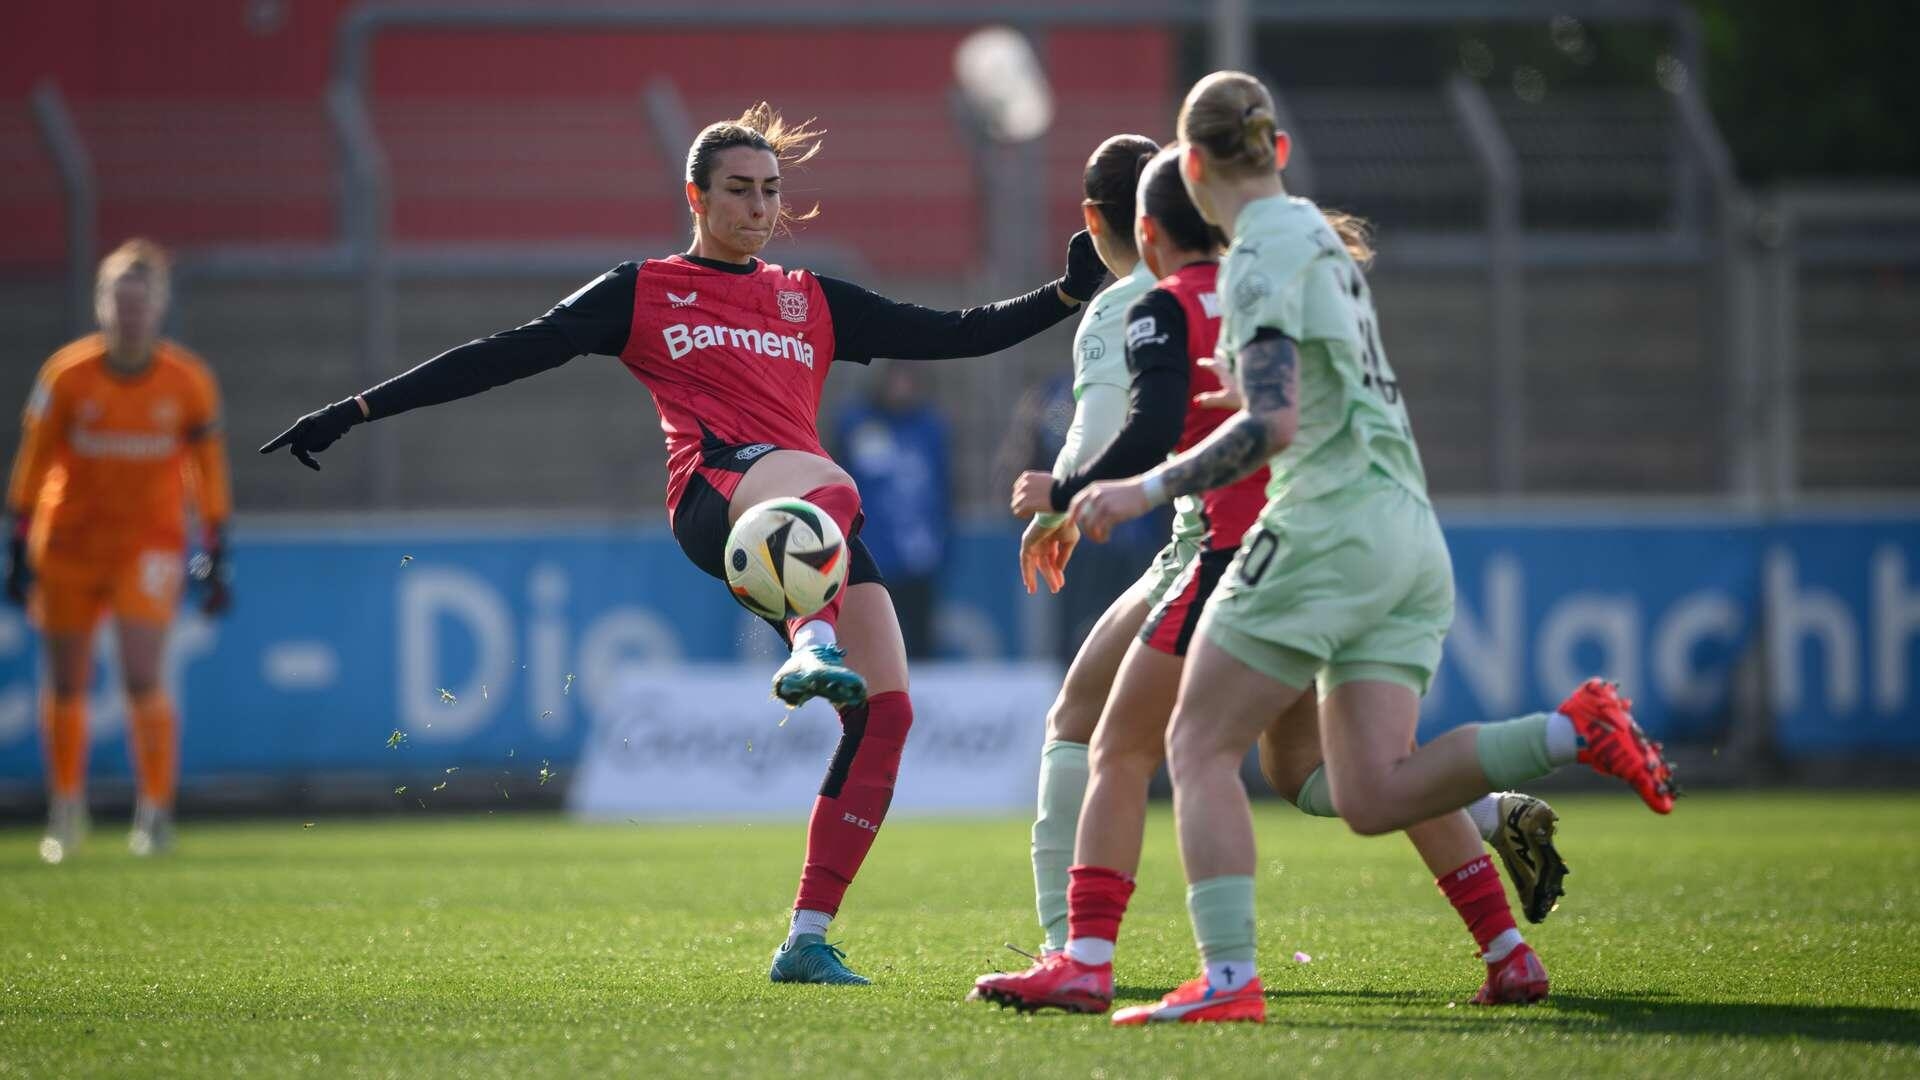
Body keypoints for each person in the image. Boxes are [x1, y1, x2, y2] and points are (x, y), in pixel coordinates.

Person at [259, 103, 1106, 985]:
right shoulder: (646, 289)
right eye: (739, 191)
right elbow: (507, 352)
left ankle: (806, 937)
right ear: (695, 195)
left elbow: (955, 333)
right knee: (836, 483)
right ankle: (808, 641)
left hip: (807, 520)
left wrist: (1064, 294)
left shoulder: (809, 298)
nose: (758, 208)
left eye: (771, 193)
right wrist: (355, 409)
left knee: (888, 713)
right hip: (717, 499)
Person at [1069, 72, 1676, 1025]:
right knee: (1367, 790)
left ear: (1190, 165)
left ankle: (1227, 981)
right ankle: (1573, 730)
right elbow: (1308, 386)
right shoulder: (1318, 233)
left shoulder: (1257, 260)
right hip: (1407, 531)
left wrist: (1139, 487)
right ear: (1277, 151)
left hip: (1322, 528)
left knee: (1193, 741)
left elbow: (1269, 426)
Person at [974, 147, 1566, 1016]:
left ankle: (1086, 953)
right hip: (1344, 538)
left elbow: (1126, 428)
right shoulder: (1280, 281)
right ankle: (1506, 939)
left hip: (1230, 554)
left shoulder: (1143, 305)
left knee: (1116, 739)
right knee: (1325, 775)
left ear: (1130, 227)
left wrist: (1064, 496)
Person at [5, 238, 234, 863]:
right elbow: (34, 461)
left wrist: (217, 543)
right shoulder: (66, 375)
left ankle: (154, 812)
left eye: (140, 302)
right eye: (118, 300)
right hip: (71, 543)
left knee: (140, 676)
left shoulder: (187, 382)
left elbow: (206, 470)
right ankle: (67, 810)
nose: (129, 314)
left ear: (158, 308)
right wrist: (19, 537)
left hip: (149, 545)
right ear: (101, 304)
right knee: (68, 681)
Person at [833, 365, 950, 658]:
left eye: (908, 380)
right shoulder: (855, 424)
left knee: (920, 640)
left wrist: (944, 541)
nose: (902, 388)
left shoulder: (929, 427)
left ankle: (920, 702)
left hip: (919, 554)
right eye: (896, 380)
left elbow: (944, 487)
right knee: (872, 642)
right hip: (870, 552)